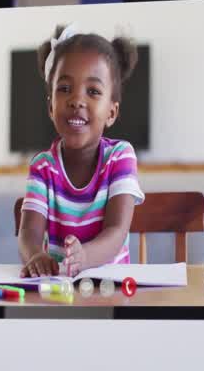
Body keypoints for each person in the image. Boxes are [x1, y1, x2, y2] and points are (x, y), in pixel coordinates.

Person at [18, 24, 144, 277]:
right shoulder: (42, 166)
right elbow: (28, 233)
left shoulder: (120, 157)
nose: (77, 100)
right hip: (60, 292)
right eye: (64, 89)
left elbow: (117, 231)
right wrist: (36, 255)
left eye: (93, 91)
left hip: (114, 291)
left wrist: (85, 257)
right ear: (51, 106)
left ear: (112, 112)